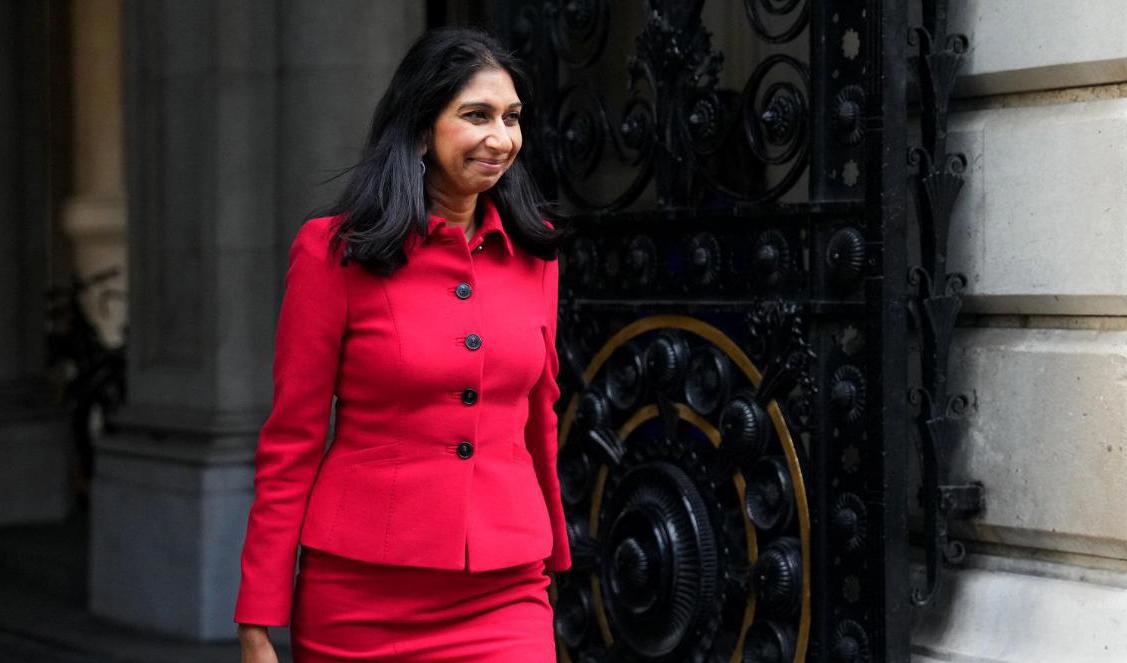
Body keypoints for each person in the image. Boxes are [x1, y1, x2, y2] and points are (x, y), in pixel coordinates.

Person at [234, 26, 572, 663]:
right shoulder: (334, 253)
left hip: (505, 590)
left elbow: (539, 420)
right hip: (361, 596)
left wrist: (551, 548)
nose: (501, 139)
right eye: (476, 116)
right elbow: (293, 440)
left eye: (512, 118)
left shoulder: (536, 254)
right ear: (421, 127)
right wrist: (257, 620)